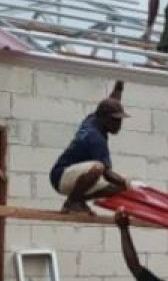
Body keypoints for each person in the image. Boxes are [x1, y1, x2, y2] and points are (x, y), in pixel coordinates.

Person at [50, 81, 130, 214]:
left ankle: (78, 200)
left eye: (120, 120)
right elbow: (107, 173)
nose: (119, 125)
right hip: (61, 177)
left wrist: (119, 88)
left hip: (79, 176)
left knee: (117, 187)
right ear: (105, 119)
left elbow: (111, 102)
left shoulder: (95, 117)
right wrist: (126, 184)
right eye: (116, 120)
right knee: (99, 168)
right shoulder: (94, 137)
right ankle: (72, 202)